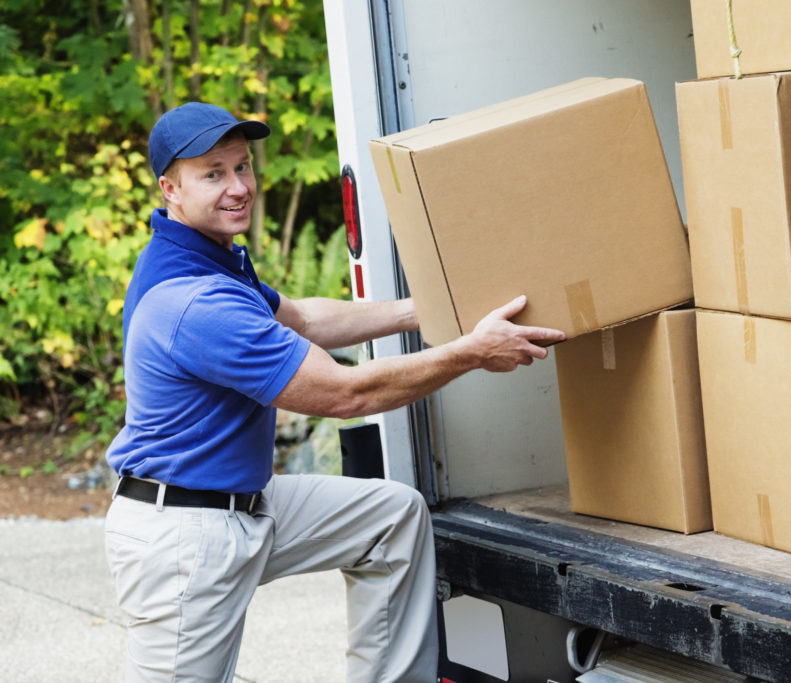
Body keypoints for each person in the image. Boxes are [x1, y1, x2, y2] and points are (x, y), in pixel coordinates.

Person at [103, 102, 565, 683]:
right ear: (170, 188)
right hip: (184, 537)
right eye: (213, 173)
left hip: (245, 504)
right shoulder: (196, 304)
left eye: (242, 167)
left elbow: (305, 320)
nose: (238, 186)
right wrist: (472, 351)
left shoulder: (206, 259)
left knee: (390, 518)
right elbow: (348, 394)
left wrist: (423, 312)